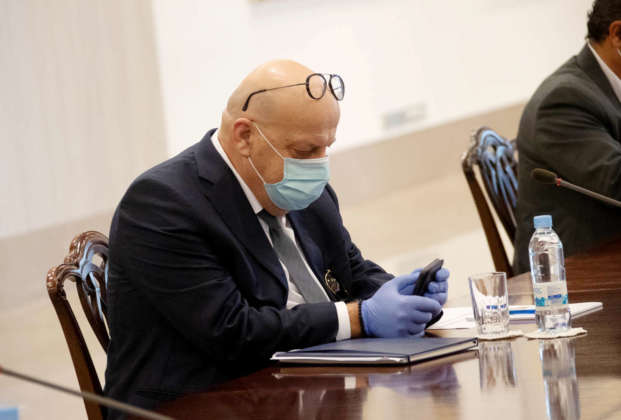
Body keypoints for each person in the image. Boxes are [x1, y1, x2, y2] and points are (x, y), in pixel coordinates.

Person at [103, 60, 449, 415]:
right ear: (244, 136)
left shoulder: (304, 192)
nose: (319, 165)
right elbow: (233, 331)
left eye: (326, 147)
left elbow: (352, 272)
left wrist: (407, 297)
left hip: (304, 389)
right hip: (199, 404)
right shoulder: (162, 203)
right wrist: (360, 317)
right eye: (305, 151)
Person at [513, 0, 621, 274]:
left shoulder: (602, 85)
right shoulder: (564, 100)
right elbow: (617, 182)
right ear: (617, 35)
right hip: (570, 271)